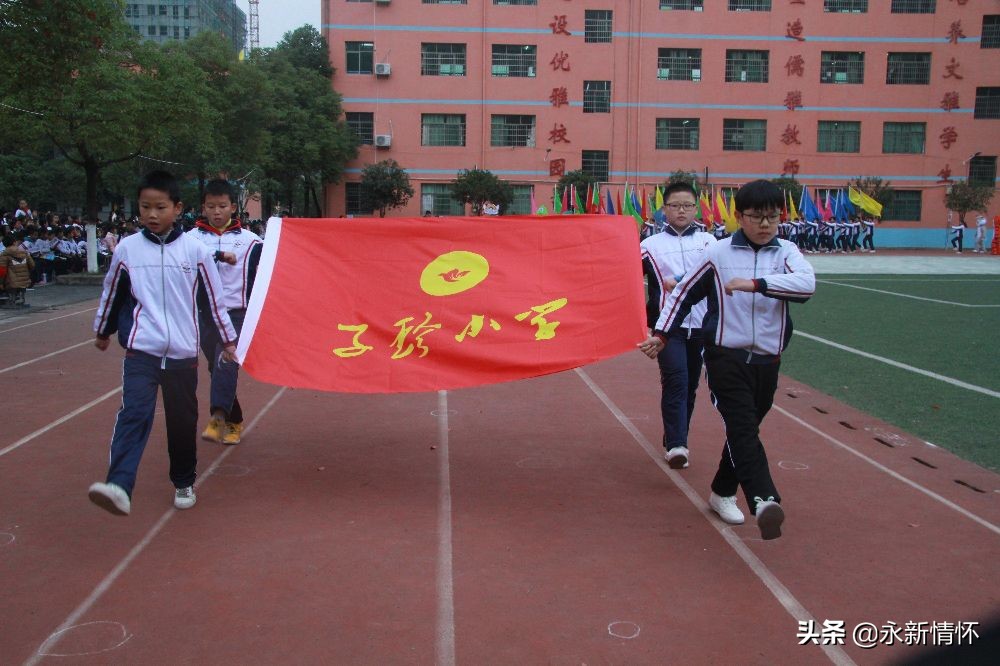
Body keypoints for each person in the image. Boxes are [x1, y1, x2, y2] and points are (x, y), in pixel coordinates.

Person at [638, 180, 815, 540]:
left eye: (772, 217)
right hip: (724, 355)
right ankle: (764, 500)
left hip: (768, 360)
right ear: (739, 217)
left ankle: (722, 492)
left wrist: (756, 284)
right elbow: (683, 294)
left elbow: (806, 285)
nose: (765, 225)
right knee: (741, 426)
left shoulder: (787, 253)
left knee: (748, 426)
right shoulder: (718, 253)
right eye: (756, 217)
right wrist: (661, 333)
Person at [87, 170, 238, 516]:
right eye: (145, 207)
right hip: (143, 351)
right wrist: (103, 331)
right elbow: (112, 293)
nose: (152, 215)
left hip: (183, 354)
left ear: (177, 208)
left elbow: (215, 302)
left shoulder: (195, 252)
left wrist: (228, 341)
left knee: (182, 422)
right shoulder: (127, 249)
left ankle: (183, 481)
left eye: (160, 207)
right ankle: (119, 485)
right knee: (134, 413)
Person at [640, 182, 715, 469]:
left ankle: (677, 435)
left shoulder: (710, 243)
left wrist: (681, 280)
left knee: (691, 386)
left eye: (687, 205)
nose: (681, 210)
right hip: (667, 329)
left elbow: (710, 274)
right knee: (676, 381)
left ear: (696, 208)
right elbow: (625, 272)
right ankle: (677, 445)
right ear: (664, 210)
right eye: (675, 205)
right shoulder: (650, 246)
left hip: (702, 327)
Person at [187, 178, 263, 446]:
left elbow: (269, 271)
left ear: (233, 207)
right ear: (203, 208)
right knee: (216, 367)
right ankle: (235, 419)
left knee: (226, 362)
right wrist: (219, 257)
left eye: (222, 206)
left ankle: (218, 417)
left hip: (237, 315)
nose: (216, 212)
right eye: (211, 206)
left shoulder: (252, 242)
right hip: (206, 315)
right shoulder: (190, 240)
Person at [1, 233, 35, 308]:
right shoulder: (25, 252)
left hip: (11, 281)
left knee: (11, 283)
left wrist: (0, 283)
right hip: (25, 279)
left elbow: (2, 271)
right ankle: (21, 299)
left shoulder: (4, 255)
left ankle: (12, 300)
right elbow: (32, 265)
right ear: (14, 242)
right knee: (20, 284)